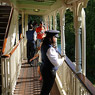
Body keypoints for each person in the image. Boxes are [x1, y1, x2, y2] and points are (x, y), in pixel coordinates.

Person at [40, 30, 65, 95]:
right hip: (49, 72)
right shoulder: (50, 49)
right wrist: (62, 59)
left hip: (44, 69)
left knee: (45, 89)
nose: (56, 39)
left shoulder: (44, 45)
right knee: (46, 90)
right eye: (55, 37)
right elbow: (56, 63)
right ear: (50, 38)